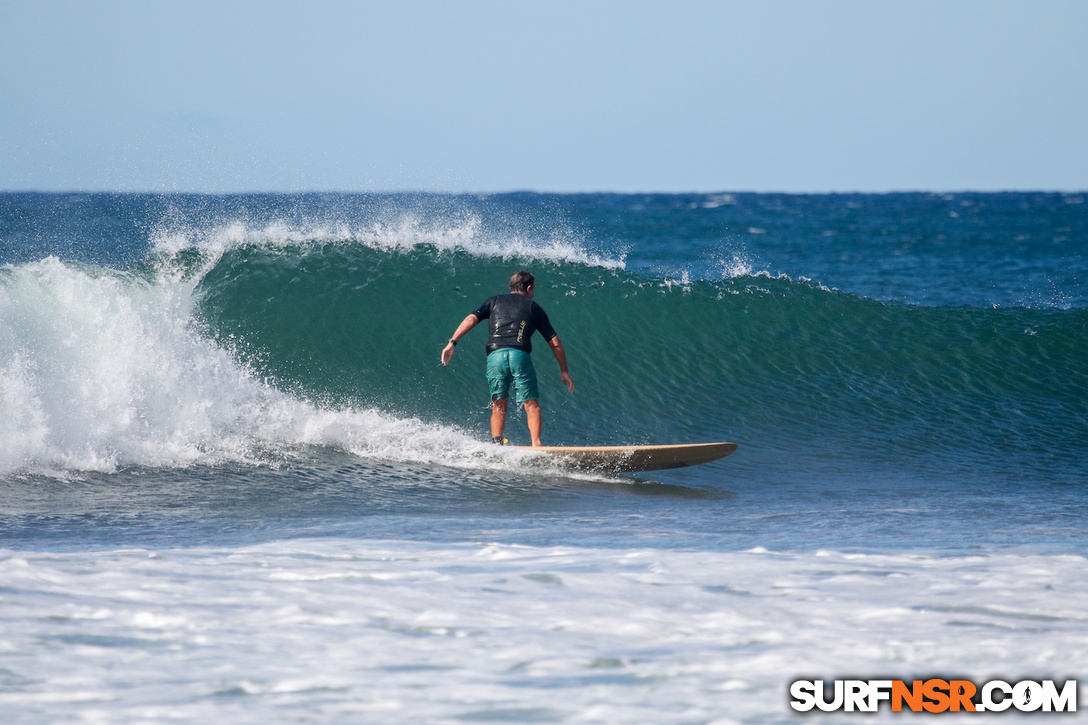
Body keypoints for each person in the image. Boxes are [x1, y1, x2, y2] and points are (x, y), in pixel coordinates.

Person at [441, 270, 574, 446]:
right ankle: (536, 444)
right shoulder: (534, 307)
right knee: (531, 404)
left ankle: (497, 443)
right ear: (528, 288)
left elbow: (471, 319)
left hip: (495, 356)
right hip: (520, 355)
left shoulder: (493, 301)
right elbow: (555, 342)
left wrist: (452, 342)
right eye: (533, 289)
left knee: (498, 404)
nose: (533, 292)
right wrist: (564, 370)